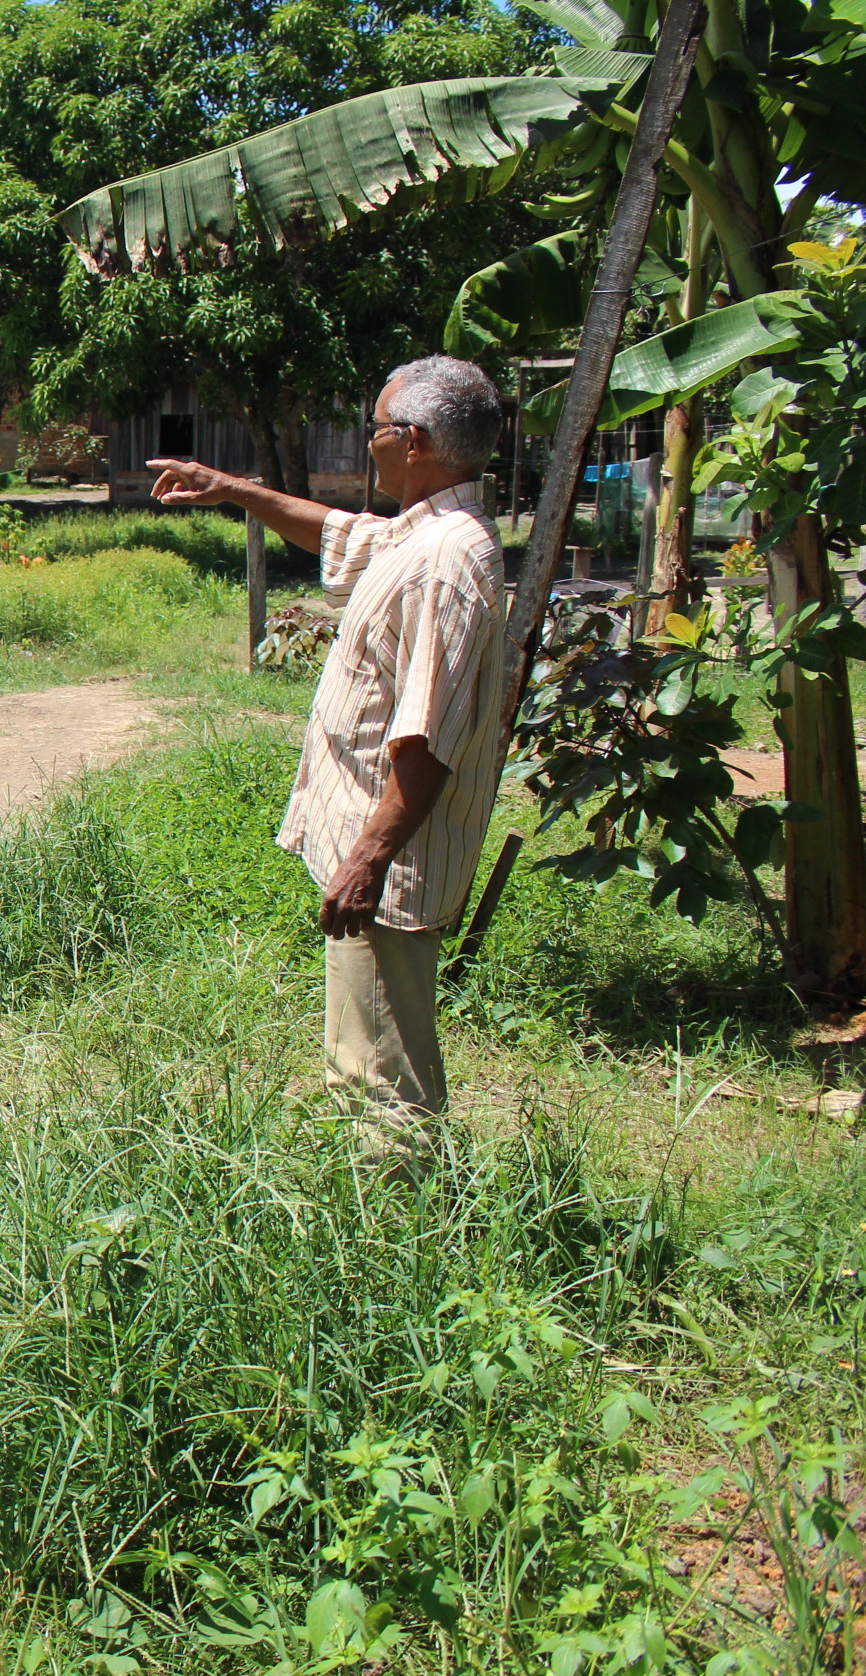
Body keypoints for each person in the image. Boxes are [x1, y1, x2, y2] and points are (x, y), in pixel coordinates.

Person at [146, 356, 509, 1123]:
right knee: (366, 1050)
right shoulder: (427, 536)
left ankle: (392, 1221)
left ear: (411, 441)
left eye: (374, 428)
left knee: (379, 1077)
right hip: (380, 859)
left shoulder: (445, 563)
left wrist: (368, 861)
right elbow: (343, 536)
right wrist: (231, 488)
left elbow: (429, 738)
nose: (367, 442)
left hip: (391, 870)